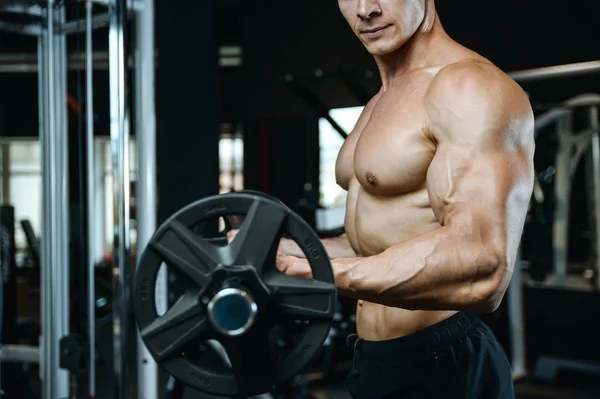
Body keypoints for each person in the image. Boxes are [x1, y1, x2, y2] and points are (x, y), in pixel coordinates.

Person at [274, 0, 535, 398]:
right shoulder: (381, 100)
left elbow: (483, 262)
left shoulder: (469, 87)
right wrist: (282, 254)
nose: (366, 9)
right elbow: (374, 244)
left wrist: (321, 275)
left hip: (443, 361)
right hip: (376, 360)